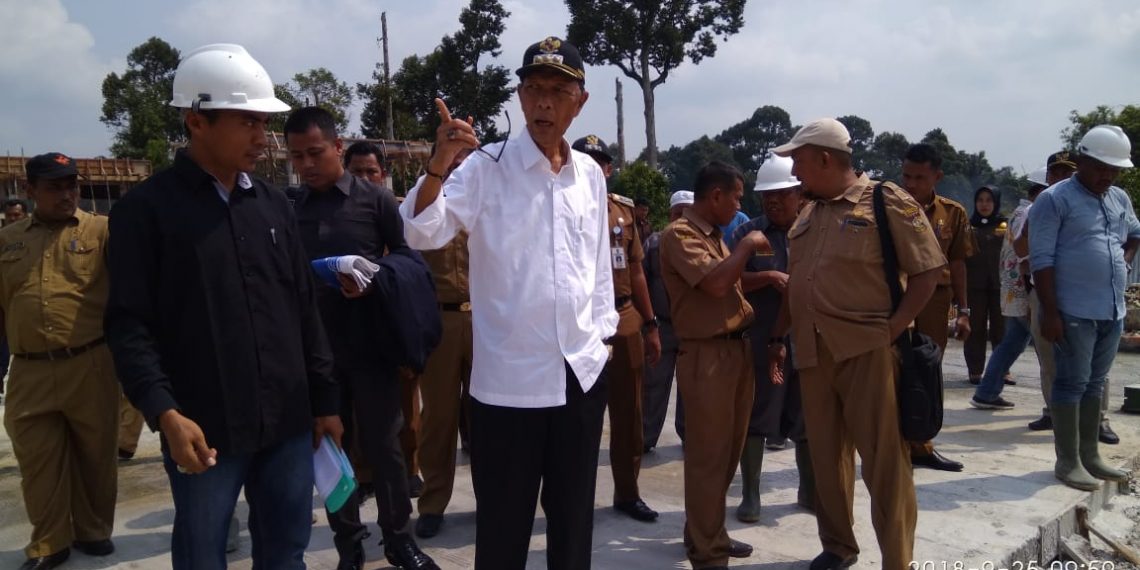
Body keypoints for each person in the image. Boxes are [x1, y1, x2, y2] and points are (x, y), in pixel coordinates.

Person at [105, 44, 344, 570]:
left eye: (264, 122)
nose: (264, 138)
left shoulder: (274, 204)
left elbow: (303, 308)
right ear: (196, 121)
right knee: (202, 552)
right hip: (204, 426)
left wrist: (324, 401)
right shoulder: (146, 212)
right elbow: (128, 326)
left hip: (286, 419)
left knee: (285, 551)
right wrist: (164, 414)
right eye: (248, 122)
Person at [399, 37, 618, 570]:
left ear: (579, 102)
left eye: (557, 91)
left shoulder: (589, 175)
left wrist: (603, 336)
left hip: (579, 375)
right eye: (534, 90)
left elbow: (595, 269)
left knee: (573, 523)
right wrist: (438, 164)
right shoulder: (486, 167)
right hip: (508, 386)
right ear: (520, 98)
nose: (544, 103)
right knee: (503, 527)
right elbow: (421, 231)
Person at [769, 118, 945, 570]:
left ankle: (897, 560)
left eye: (800, 161)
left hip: (868, 351)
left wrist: (894, 327)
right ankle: (838, 546)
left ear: (825, 159)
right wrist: (779, 338)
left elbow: (927, 271)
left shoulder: (885, 201)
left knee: (885, 465)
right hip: (813, 351)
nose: (795, 172)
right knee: (827, 460)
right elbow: (799, 284)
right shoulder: (809, 212)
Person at [284, 106, 437, 570]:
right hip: (315, 354)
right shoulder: (288, 208)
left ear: (336, 148)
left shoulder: (375, 202)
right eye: (297, 157)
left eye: (315, 153)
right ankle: (348, 544)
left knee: (386, 447)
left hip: (370, 346)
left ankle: (398, 538)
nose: (307, 165)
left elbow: (409, 261)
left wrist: (373, 277)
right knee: (330, 453)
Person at [1, 153, 119, 570]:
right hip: (29, 368)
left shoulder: (103, 231)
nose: (67, 193)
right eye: (54, 186)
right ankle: (49, 542)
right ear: (29, 190)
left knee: (95, 454)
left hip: (89, 362)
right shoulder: (9, 239)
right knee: (37, 460)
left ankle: (93, 529)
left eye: (72, 185)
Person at [661, 160, 771, 569]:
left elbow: (733, 282)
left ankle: (708, 532)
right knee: (709, 457)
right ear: (717, 196)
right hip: (707, 356)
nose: (740, 205)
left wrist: (770, 275)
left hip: (734, 351)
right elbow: (716, 283)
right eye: (737, 197)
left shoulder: (713, 236)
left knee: (727, 455)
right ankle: (708, 553)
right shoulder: (680, 235)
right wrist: (745, 245)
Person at [1029, 125, 1139, 491]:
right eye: (1100, 167)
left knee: (1095, 383)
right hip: (1073, 310)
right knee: (1071, 382)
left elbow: (1134, 232)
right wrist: (1051, 312)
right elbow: (1041, 260)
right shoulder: (1054, 200)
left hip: (1111, 310)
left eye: (1115, 169)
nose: (1108, 175)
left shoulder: (1119, 198)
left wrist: (1123, 260)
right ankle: (1068, 461)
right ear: (1080, 160)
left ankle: (1091, 455)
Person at [573, 134, 663, 522]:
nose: (595, 167)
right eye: (586, 160)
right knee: (578, 419)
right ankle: (573, 497)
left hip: (624, 318)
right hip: (578, 322)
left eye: (601, 162)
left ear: (609, 169)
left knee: (629, 415)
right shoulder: (559, 208)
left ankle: (628, 493)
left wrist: (652, 323)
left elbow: (638, 270)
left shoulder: (622, 213)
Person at [727, 155, 814, 522]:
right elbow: (727, 279)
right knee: (758, 414)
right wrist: (769, 278)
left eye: (780, 195)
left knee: (808, 416)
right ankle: (750, 495)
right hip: (764, 339)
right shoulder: (750, 235)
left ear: (798, 193)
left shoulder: (816, 230)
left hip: (809, 338)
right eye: (766, 197)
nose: (773, 203)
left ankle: (810, 490)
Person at [899, 143, 972, 472]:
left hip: (935, 300)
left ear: (937, 176)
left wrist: (965, 310)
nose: (911, 184)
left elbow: (957, 263)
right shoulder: (890, 207)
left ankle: (922, 445)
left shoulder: (953, 213)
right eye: (906, 176)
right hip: (897, 297)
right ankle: (895, 445)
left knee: (927, 370)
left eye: (919, 177)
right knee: (893, 369)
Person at [414, 147, 475, 539]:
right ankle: (433, 503)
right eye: (452, 157)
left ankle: (496, 498)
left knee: (489, 417)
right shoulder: (422, 200)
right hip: (439, 319)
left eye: (465, 157)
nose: (459, 163)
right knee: (438, 418)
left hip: (487, 319)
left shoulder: (486, 201)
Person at [971, 155, 1062, 411]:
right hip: (1028, 290)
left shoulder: (1018, 212)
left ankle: (987, 391)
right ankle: (1054, 405)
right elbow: (1028, 254)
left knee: (1013, 341)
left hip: (1016, 290)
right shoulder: (1035, 211)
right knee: (1045, 350)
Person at [642, 190, 692, 451]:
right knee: (653, 385)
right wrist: (648, 325)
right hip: (660, 327)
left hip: (692, 329)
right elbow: (641, 283)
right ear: (670, 215)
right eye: (677, 214)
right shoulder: (653, 243)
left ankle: (690, 436)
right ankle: (644, 438)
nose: (682, 219)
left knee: (691, 388)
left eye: (687, 213)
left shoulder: (701, 245)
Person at [964, 185, 1007, 384]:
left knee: (1001, 329)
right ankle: (975, 370)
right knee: (975, 329)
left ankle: (1003, 370)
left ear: (995, 202)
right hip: (974, 285)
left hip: (1000, 286)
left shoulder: (1005, 226)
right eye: (980, 200)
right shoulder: (967, 225)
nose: (984, 204)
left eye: (988, 200)